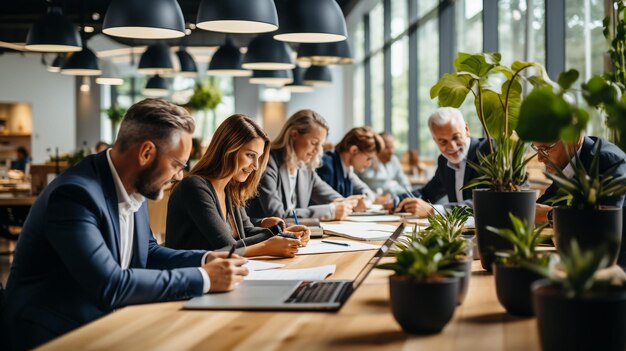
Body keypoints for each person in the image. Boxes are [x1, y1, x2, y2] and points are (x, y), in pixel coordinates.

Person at [0, 99, 248, 350]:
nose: (179, 176)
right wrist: (203, 278)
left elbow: (148, 253)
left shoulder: (135, 187)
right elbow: (110, 285)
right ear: (146, 153)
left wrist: (206, 259)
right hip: (52, 337)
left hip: (105, 325)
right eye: (177, 165)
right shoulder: (75, 195)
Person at [166, 114, 310, 257]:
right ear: (228, 149)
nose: (255, 166)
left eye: (258, 158)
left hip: (225, 273)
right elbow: (227, 246)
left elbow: (246, 231)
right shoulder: (194, 187)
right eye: (250, 155)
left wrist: (284, 232)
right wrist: (273, 236)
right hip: (194, 275)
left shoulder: (230, 188)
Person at [246, 109, 357, 220]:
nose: (318, 150)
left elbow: (332, 197)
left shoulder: (304, 168)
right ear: (294, 134)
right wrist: (331, 211)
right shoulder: (268, 163)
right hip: (268, 235)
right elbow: (277, 216)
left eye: (321, 145)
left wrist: (351, 203)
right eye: (314, 143)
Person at [395, 107, 490, 217]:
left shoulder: (487, 151)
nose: (452, 146)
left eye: (456, 137)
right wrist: (397, 200)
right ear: (435, 141)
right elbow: (427, 193)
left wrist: (434, 210)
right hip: (461, 232)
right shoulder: (444, 161)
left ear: (466, 129)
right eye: (443, 142)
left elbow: (485, 201)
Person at [533, 135, 626, 223]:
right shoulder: (566, 164)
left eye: (545, 149)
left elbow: (604, 221)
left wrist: (550, 214)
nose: (539, 158)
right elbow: (542, 207)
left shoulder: (610, 162)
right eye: (537, 149)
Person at [316, 126, 382, 205]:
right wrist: (354, 205)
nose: (369, 164)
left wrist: (364, 200)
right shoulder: (325, 165)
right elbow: (325, 203)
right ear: (354, 150)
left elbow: (368, 192)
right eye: (368, 158)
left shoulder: (347, 170)